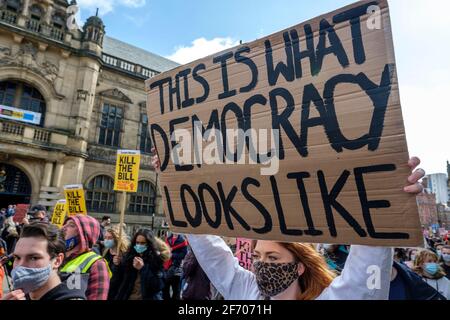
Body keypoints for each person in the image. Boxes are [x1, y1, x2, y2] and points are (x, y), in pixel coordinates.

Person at [152, 151, 426, 300]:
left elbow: (366, 278)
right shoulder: (246, 292)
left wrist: (384, 197)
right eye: (257, 257)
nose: (261, 265)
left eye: (273, 257)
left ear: (299, 266)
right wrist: (175, 183)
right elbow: (210, 252)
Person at [2, 222, 85, 300]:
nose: (20, 266)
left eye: (33, 258)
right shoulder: (21, 294)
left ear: (57, 261)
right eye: (17, 257)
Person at [109, 228, 170, 300]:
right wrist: (117, 265)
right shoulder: (128, 258)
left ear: (149, 244)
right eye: (137, 243)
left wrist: (143, 269)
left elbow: (158, 285)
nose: (139, 245)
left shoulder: (156, 260)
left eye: (143, 243)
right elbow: (116, 281)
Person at [60, 215, 111, 300]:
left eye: (71, 225)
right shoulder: (55, 257)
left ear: (83, 234)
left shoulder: (97, 264)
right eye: (65, 224)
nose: (63, 227)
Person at [102, 224, 130, 299]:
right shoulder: (105, 252)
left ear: (116, 239)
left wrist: (119, 264)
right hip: (105, 290)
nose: (107, 240)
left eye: (110, 238)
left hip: (117, 293)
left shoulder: (124, 255)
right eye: (105, 237)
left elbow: (126, 276)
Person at [163, 231, 188, 300]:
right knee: (165, 288)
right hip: (166, 267)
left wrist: (172, 255)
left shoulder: (183, 240)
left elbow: (183, 255)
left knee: (176, 289)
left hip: (176, 267)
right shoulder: (168, 239)